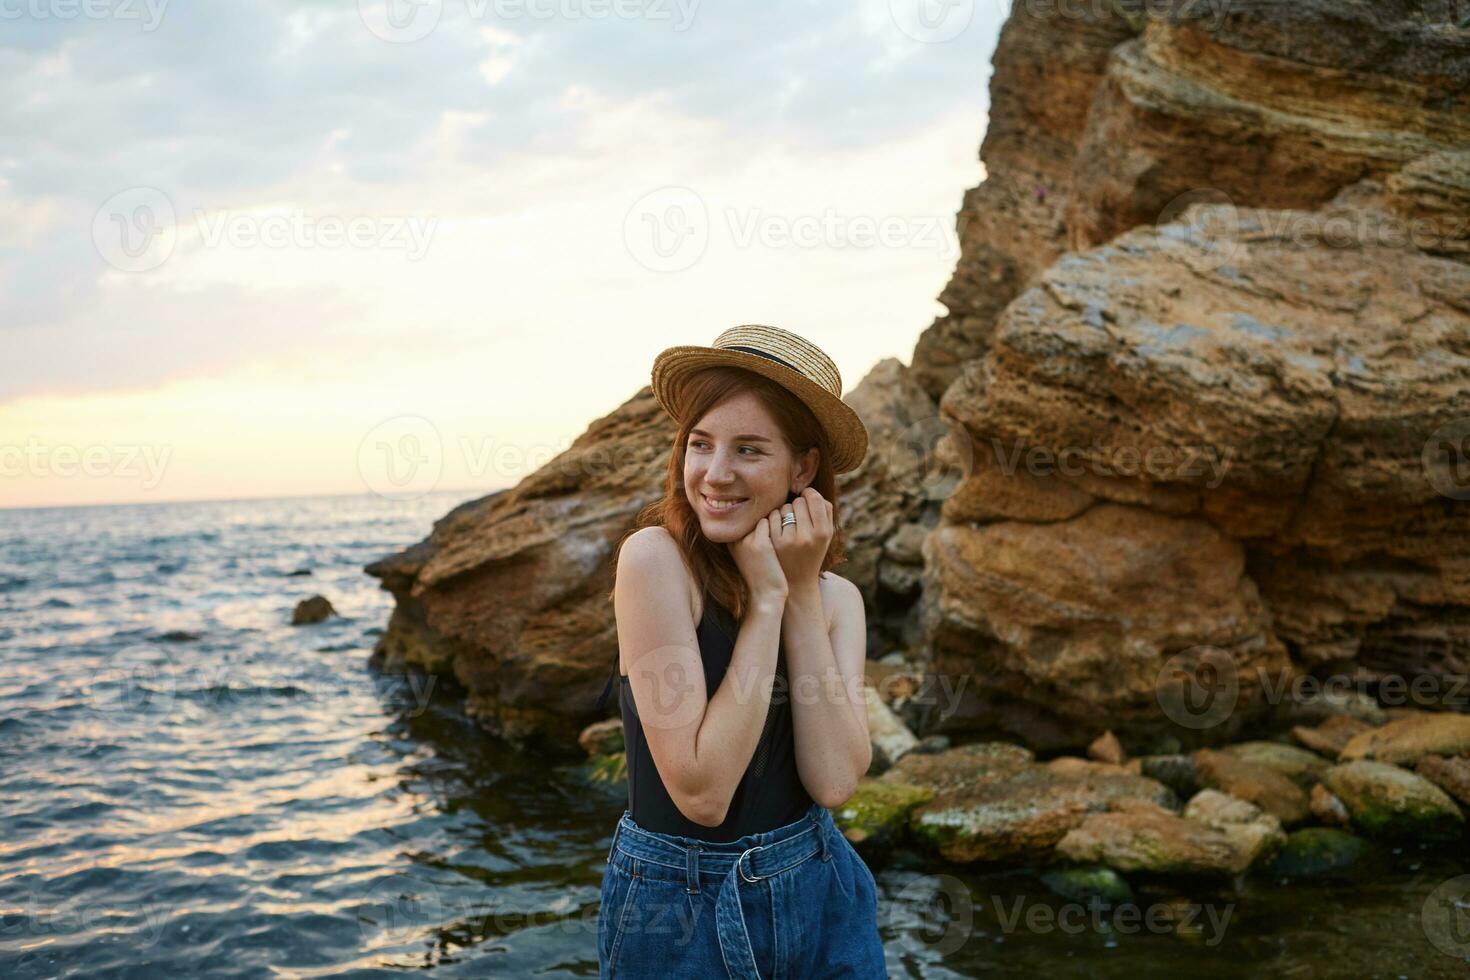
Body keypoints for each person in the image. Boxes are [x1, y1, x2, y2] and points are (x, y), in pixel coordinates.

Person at [591, 324, 886, 978]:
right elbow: (703, 792)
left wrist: (801, 593)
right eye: (701, 445)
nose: (715, 475)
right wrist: (767, 605)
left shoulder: (838, 600)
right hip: (682, 907)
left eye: (748, 449)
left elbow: (835, 781)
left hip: (819, 887)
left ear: (803, 468)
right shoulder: (655, 563)